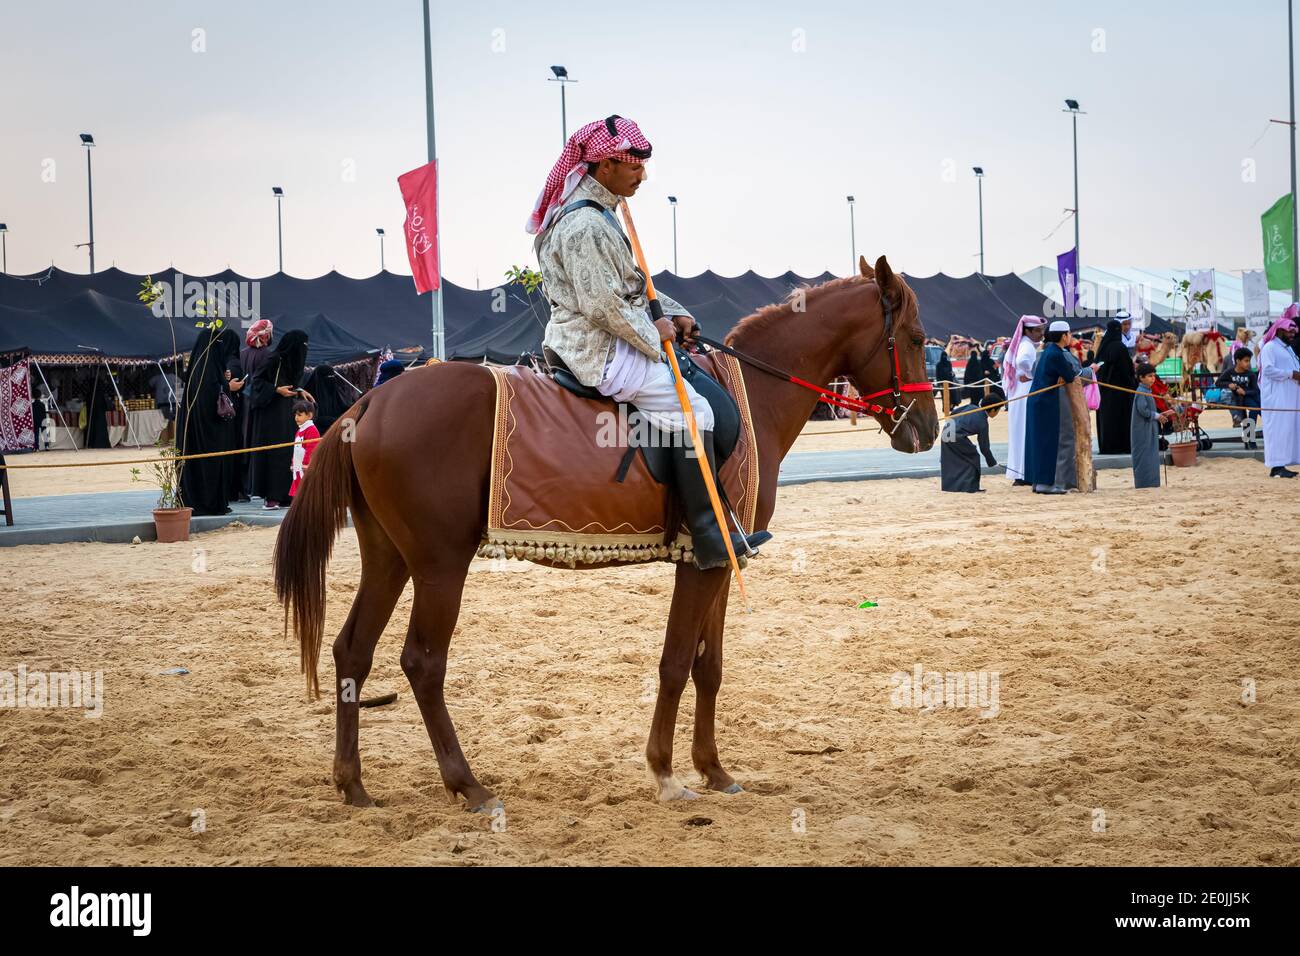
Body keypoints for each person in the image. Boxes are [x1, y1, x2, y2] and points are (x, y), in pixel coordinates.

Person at [528, 114, 768, 568]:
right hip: (595, 347)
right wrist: (655, 337)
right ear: (604, 167)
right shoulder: (587, 226)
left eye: (643, 166)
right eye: (633, 166)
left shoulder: (601, 213)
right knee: (694, 410)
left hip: (603, 334)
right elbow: (603, 305)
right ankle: (707, 534)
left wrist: (674, 314)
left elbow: (633, 285)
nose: (642, 175)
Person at [176, 326, 236, 516]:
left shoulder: (197, 371)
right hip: (210, 439)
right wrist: (228, 386)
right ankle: (210, 503)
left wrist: (223, 380)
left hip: (194, 436)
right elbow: (212, 402)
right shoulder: (208, 377)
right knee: (210, 464)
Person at [247, 329, 311, 508]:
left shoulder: (291, 362)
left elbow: (290, 384)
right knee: (274, 454)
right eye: (302, 345)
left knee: (288, 453)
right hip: (270, 416)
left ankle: (286, 495)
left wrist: (299, 390)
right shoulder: (274, 359)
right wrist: (276, 391)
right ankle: (271, 496)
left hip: (287, 415)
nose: (304, 349)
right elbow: (257, 383)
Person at [1023, 321, 1078, 494]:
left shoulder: (1047, 351)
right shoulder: (1056, 353)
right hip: (1046, 403)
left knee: (1037, 442)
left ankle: (1037, 482)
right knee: (1048, 442)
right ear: (1063, 335)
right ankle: (1046, 484)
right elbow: (1070, 375)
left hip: (1036, 401)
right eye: (1069, 334)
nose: (1070, 337)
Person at [1001, 315, 1046, 486]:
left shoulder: (1024, 344)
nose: (1041, 334)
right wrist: (1031, 374)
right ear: (1027, 331)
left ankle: (1021, 472)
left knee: (1020, 434)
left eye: (1042, 330)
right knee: (1024, 434)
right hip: (1025, 394)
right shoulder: (1026, 345)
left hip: (1019, 394)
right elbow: (1022, 361)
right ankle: (1024, 472)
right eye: (1038, 331)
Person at [1258, 311, 1300, 478]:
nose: (1292, 335)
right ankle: (1276, 467)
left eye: (1293, 332)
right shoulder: (1270, 347)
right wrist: (1291, 374)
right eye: (1289, 332)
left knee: (1288, 430)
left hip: (1289, 397)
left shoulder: (1287, 349)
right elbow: (1268, 370)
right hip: (1276, 399)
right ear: (1280, 331)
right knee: (1278, 431)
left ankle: (1283, 464)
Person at [940, 386, 1004, 493]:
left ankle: (951, 486)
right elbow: (984, 447)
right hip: (956, 435)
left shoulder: (971, 407)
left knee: (952, 459)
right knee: (973, 456)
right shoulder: (983, 422)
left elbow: (954, 413)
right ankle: (970, 487)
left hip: (947, 430)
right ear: (993, 410)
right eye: (998, 410)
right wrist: (992, 462)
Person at [240, 319, 275, 498]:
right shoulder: (268, 355)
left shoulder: (243, 354)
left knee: (245, 440)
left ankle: (246, 485)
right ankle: (256, 485)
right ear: (266, 335)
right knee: (256, 441)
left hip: (244, 402)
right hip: (260, 403)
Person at [1094, 319, 1137, 455]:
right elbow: (1127, 371)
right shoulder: (1120, 347)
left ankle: (1107, 446)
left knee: (1107, 419)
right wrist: (1133, 386)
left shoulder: (1102, 348)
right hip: (1120, 392)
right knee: (1120, 418)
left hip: (1104, 392)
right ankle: (1121, 446)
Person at [1131, 363, 1173, 489]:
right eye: (1149, 376)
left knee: (1151, 454)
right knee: (1145, 455)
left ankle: (1152, 482)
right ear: (1141, 377)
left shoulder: (1147, 391)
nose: (1153, 379)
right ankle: (1145, 483)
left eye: (1154, 376)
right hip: (1142, 430)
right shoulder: (1141, 392)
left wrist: (1162, 414)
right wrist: (1157, 416)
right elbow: (1143, 410)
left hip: (1149, 428)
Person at [1216, 347, 1261, 447]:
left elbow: (1255, 390)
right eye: (1246, 361)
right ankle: (1250, 439)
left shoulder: (1251, 374)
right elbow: (1218, 382)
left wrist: (1244, 392)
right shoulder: (1230, 372)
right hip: (1236, 400)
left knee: (1255, 409)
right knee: (1252, 410)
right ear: (1238, 361)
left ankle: (1250, 437)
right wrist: (1229, 385)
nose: (1248, 363)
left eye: (1249, 361)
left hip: (1249, 398)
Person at [301, 362, 350, 436]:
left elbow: (342, 407)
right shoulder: (307, 396)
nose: (331, 379)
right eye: (328, 376)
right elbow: (309, 419)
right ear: (319, 378)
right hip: (318, 435)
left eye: (332, 376)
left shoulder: (333, 391)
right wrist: (331, 420)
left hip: (336, 430)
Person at [289, 398, 320, 500]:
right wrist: (294, 463)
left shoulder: (312, 430)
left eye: (299, 415)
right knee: (299, 491)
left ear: (309, 415)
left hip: (305, 467)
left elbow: (311, 449)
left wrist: (306, 464)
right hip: (298, 467)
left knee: (306, 491)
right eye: (295, 415)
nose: (296, 418)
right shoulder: (300, 430)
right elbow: (296, 450)